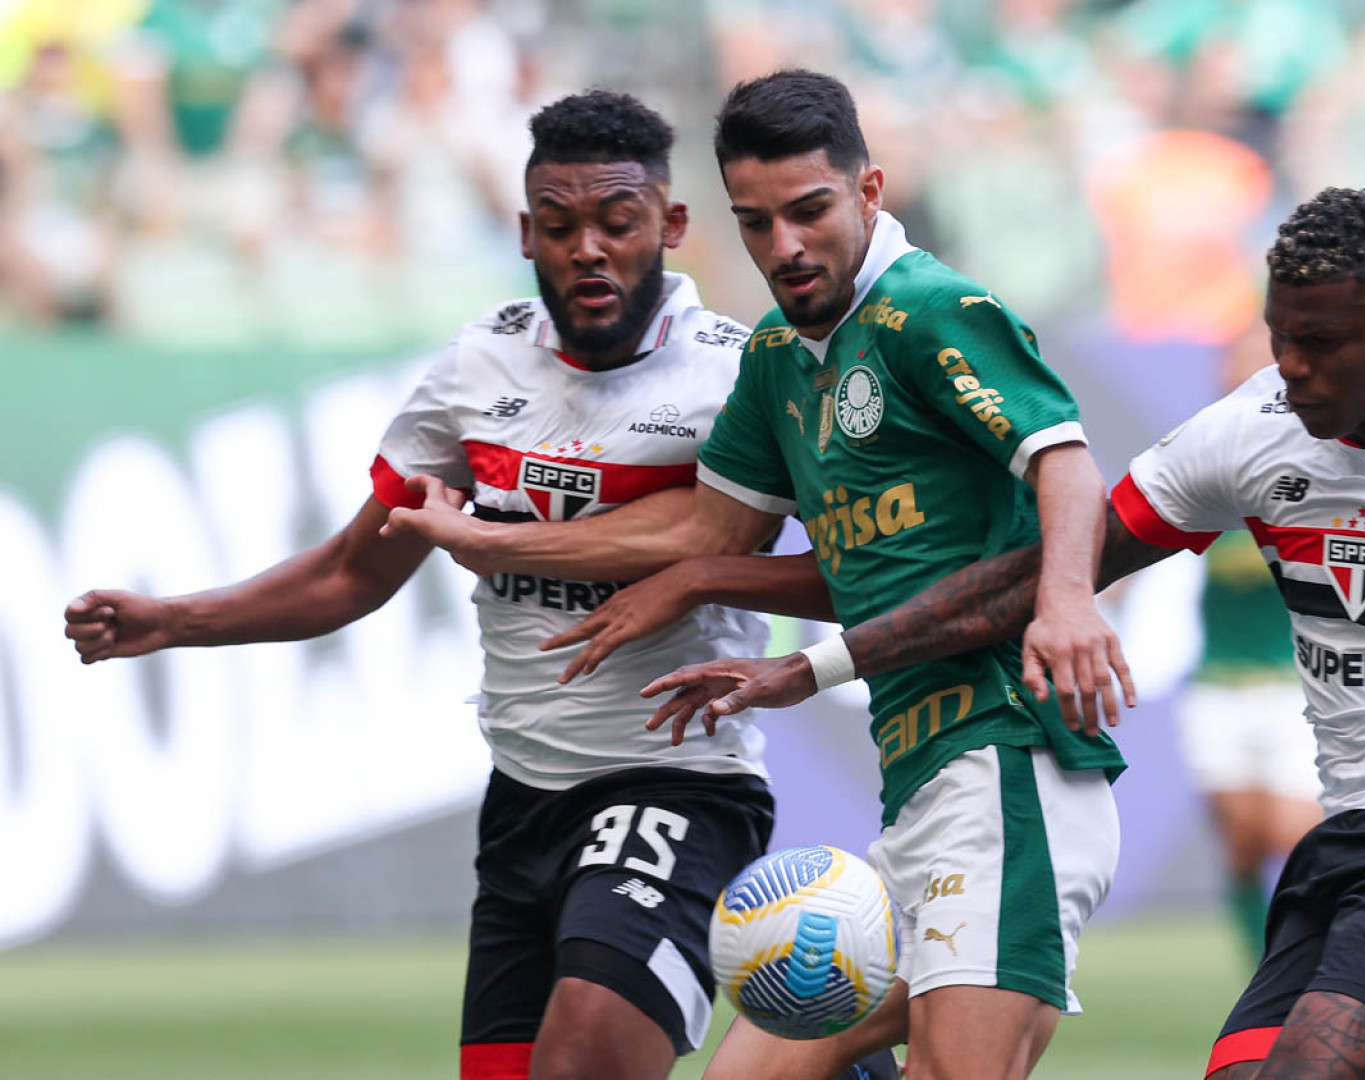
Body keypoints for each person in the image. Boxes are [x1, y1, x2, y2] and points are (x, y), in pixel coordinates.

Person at [632, 188, 1365, 1080]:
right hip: (1341, 850)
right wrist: (814, 665)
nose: (1294, 368)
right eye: (1280, 335)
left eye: (1325, 344)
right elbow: (1035, 574)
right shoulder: (1250, 434)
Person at [62, 90, 892, 1080]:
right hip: (523, 805)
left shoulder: (738, 377)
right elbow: (350, 569)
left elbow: (857, 574)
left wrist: (703, 573)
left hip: (677, 786)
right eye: (560, 224)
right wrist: (177, 619)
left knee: (581, 1058)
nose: (589, 248)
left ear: (668, 227)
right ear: (524, 234)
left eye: (616, 223)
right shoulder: (473, 371)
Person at [381, 70, 1132, 1080]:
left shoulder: (931, 308)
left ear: (869, 194)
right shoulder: (779, 355)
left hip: (1008, 761)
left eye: (810, 211)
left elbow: (1065, 462)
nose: (784, 246)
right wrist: (694, 582)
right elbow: (732, 539)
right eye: (757, 221)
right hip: (914, 786)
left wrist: (1070, 601)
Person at [1177, 328, 1323, 965]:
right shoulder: (1200, 467)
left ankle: (1314, 961)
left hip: (1294, 686)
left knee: (1295, 837)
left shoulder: (1317, 464)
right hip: (1218, 685)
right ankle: (1264, 973)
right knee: (1241, 843)